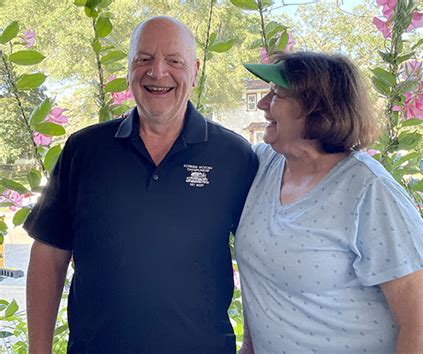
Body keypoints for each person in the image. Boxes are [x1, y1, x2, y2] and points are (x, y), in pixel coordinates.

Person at [25, 16, 257, 353]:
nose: (157, 72)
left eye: (173, 61)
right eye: (144, 59)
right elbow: (49, 253)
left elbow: (257, 260)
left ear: (194, 70)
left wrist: (251, 344)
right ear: (130, 69)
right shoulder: (84, 150)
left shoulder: (235, 156)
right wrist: (38, 350)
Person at [235, 52, 423, 354]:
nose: (262, 104)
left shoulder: (369, 190)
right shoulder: (265, 165)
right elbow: (266, 284)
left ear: (316, 109)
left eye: (277, 94)